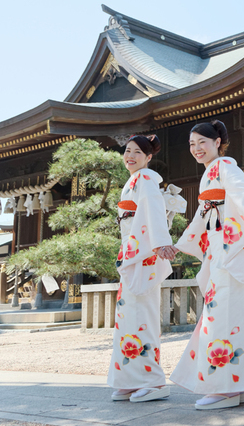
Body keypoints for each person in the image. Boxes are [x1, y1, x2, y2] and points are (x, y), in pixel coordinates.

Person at [169, 120, 244, 410]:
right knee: (231, 316)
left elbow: (242, 195)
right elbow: (204, 216)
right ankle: (237, 387)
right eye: (192, 144)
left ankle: (225, 389)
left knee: (223, 317)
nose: (196, 149)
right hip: (221, 250)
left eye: (202, 143)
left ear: (217, 142)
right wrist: (181, 245)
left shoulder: (225, 166)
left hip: (230, 252)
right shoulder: (210, 173)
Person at [108, 134, 176, 403]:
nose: (130, 156)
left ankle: (153, 381)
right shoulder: (133, 181)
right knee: (128, 318)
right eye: (127, 151)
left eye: (138, 152)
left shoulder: (146, 178)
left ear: (148, 157)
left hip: (144, 254)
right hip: (132, 251)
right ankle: (130, 379)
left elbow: (154, 210)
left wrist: (160, 244)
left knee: (142, 316)